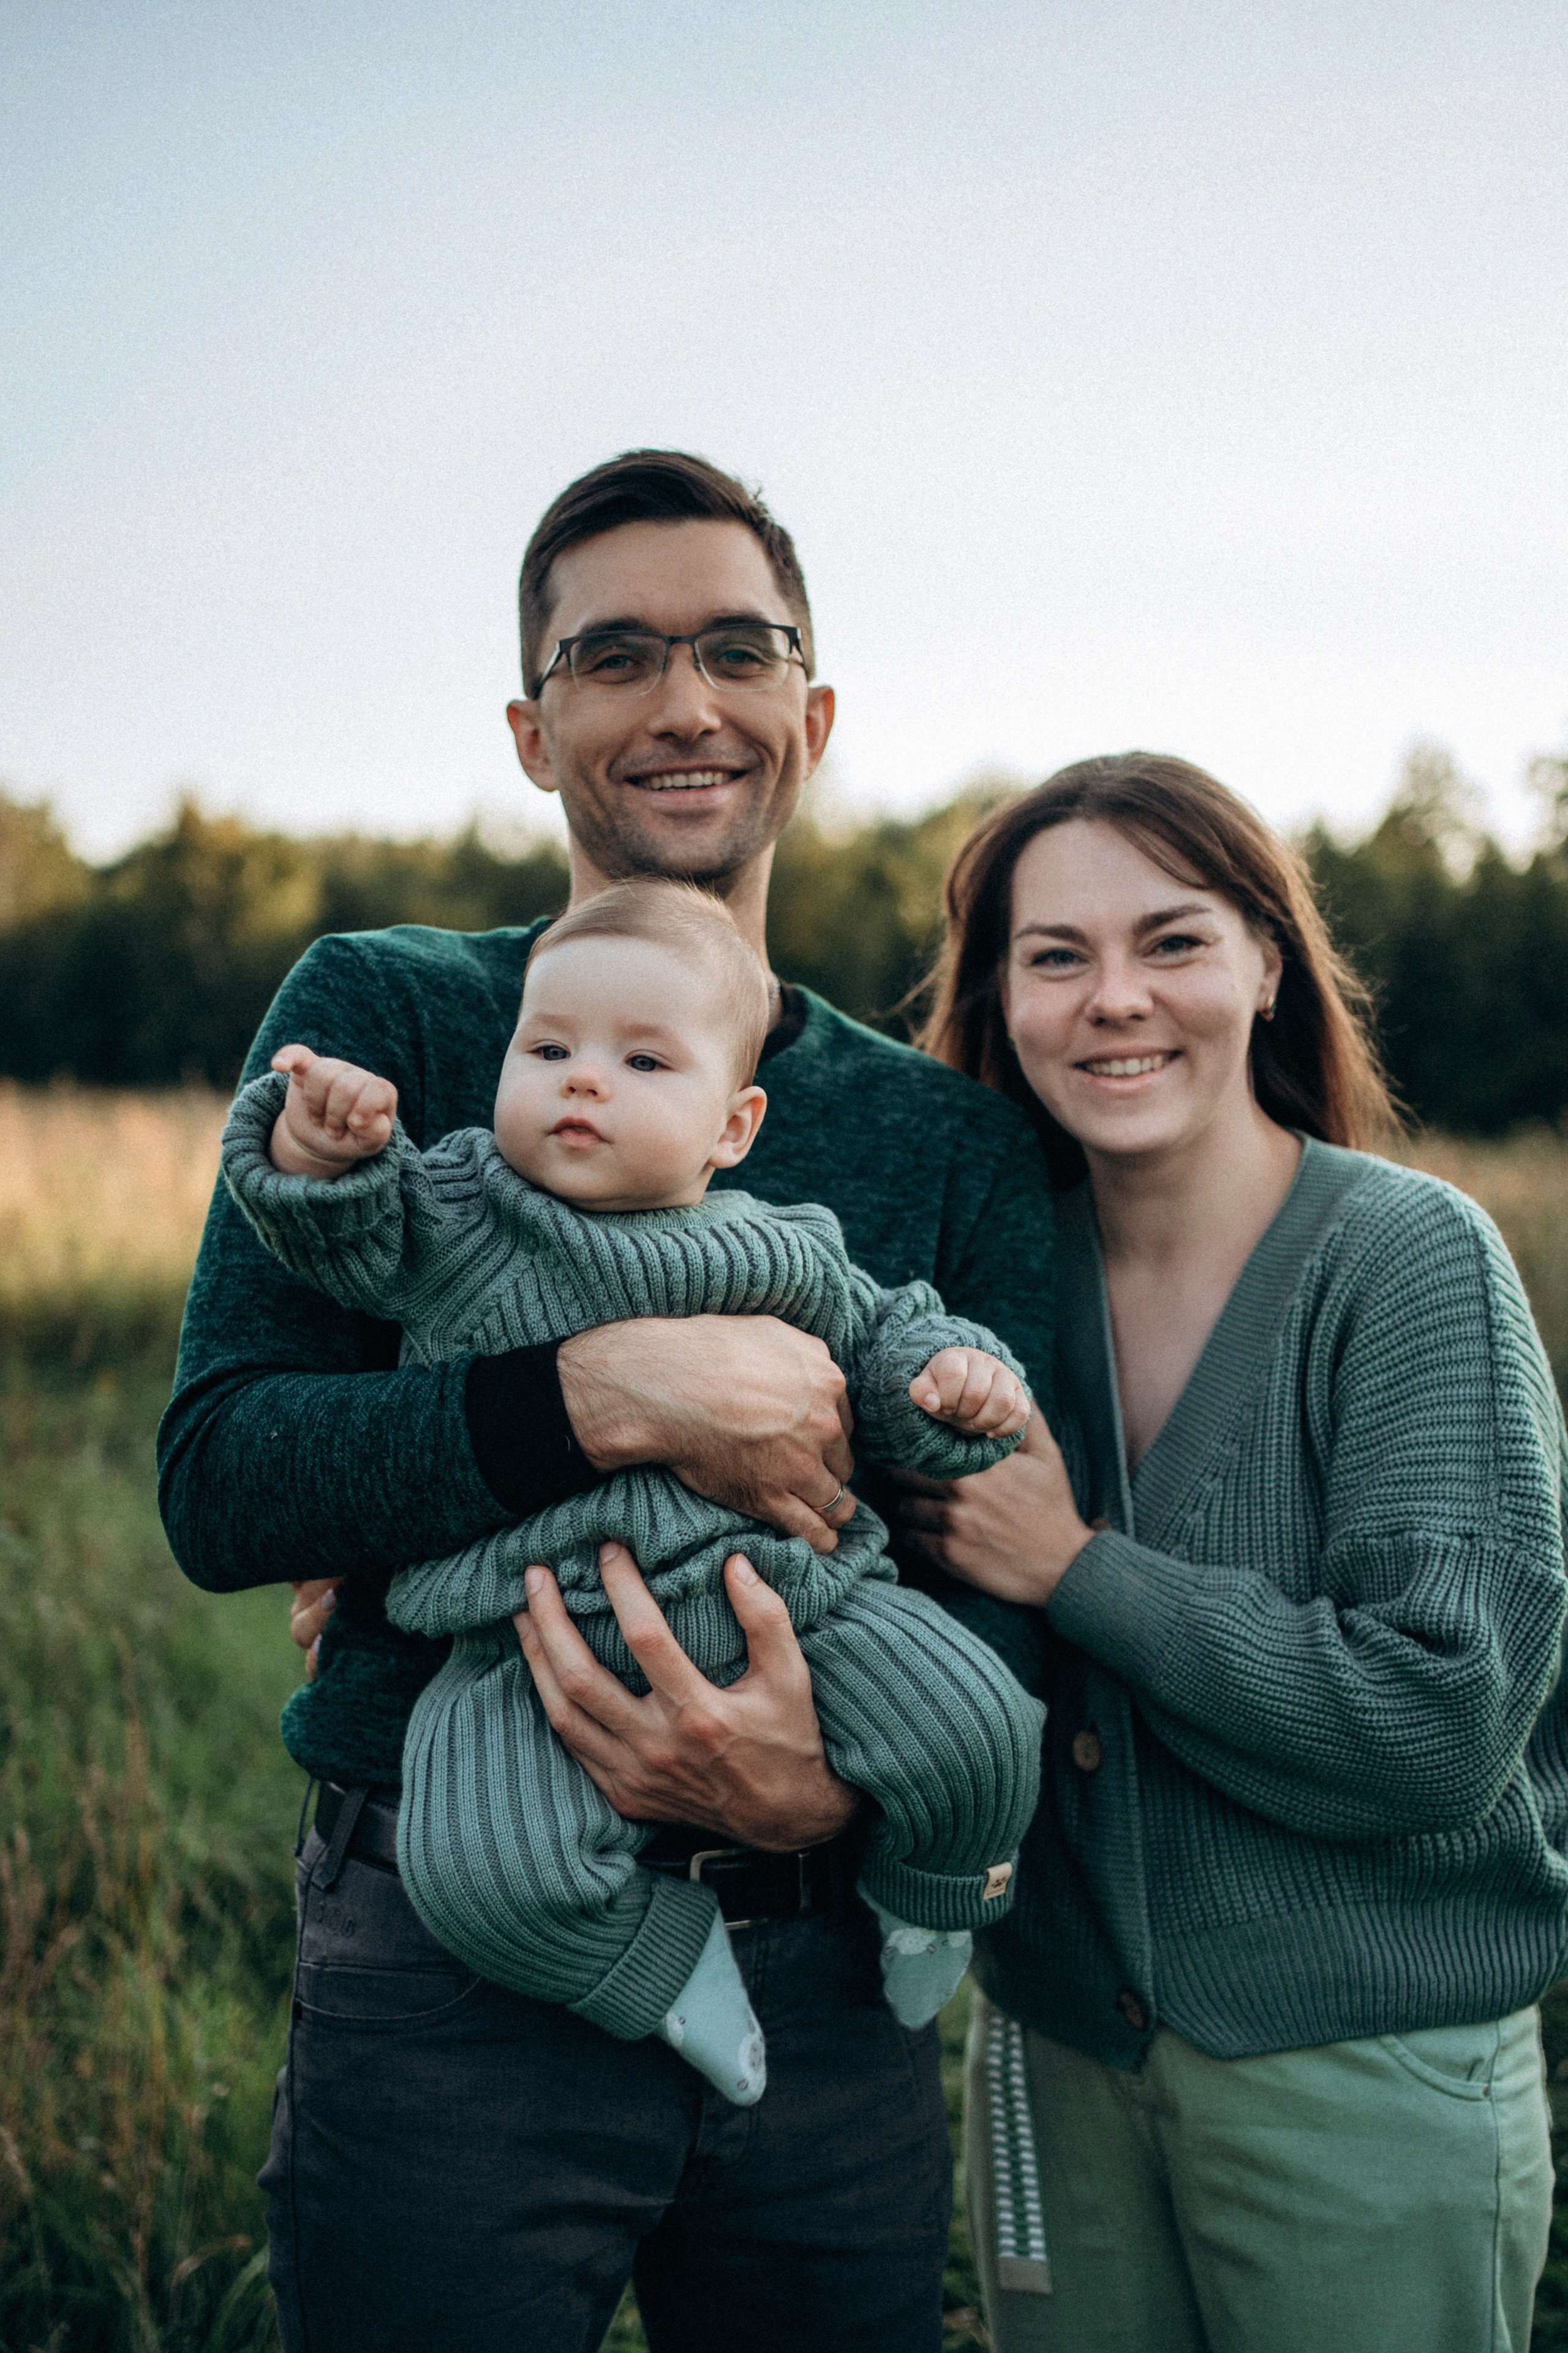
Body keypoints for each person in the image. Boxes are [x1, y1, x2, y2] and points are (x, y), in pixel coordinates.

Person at [157, 449, 1057, 2353]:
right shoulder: (391, 1020)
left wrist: (833, 1788)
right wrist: (607, 1395)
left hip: (831, 1983)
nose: (683, 701)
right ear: (529, 720)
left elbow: (1011, 1540)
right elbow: (228, 1483)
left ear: (809, 718)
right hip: (450, 1959)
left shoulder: (936, 1132)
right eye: (615, 653)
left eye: (739, 649)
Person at [900, 750, 1568, 2353]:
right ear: (1001, 1000)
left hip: (1361, 2075)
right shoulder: (972, 1285)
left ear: (1268, 962)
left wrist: (1078, 1569)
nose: (1115, 997)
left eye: (1173, 941)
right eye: (1056, 956)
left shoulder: (1403, 1263)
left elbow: (1438, 1725)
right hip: (1050, 2057)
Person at [219, 878, 1042, 2107]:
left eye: (641, 1059)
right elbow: (342, 1233)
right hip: (528, 1645)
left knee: (979, 1722)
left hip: (801, 1599)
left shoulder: (780, 1244)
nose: (582, 1078)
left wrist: (951, 1385)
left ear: (732, 1124)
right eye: (547, 1047)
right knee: (480, 1868)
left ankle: (926, 1904)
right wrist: (316, 1147)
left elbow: (878, 1357)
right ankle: (662, 1970)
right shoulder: (460, 1212)